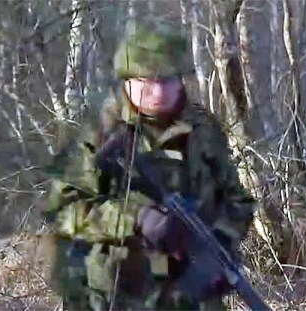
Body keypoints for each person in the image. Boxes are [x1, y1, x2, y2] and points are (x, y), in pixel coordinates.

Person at [43, 19, 258, 310]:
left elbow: (238, 202)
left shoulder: (204, 130)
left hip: (188, 297)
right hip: (115, 297)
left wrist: (218, 243)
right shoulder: (96, 132)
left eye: (167, 81)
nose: (157, 93)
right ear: (127, 80)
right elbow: (63, 211)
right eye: (147, 82)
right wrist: (136, 218)